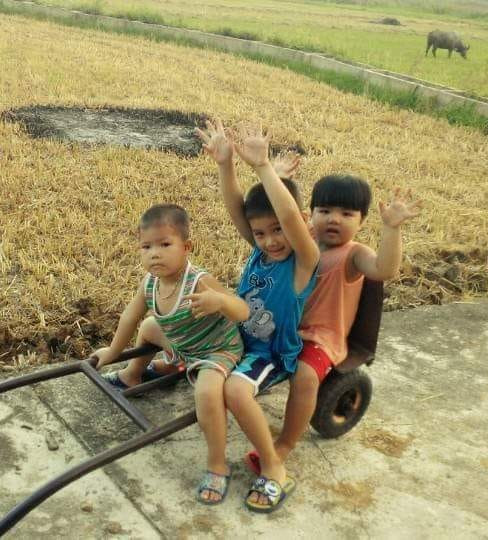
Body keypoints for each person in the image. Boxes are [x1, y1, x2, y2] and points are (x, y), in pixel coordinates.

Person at [241, 173, 422, 481]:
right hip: (282, 326)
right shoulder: (302, 239)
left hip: (321, 337)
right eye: (324, 211)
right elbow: (277, 215)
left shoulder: (355, 255)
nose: (333, 219)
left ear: (362, 221)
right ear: (309, 214)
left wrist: (392, 228)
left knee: (304, 376)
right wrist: (277, 179)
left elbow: (385, 269)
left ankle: (284, 444)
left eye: (347, 214)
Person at [196, 119, 319, 513]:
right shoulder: (261, 251)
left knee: (234, 391)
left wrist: (264, 167)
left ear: (299, 223)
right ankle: (155, 366)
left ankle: (274, 466)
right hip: (233, 338)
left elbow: (290, 219)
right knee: (161, 324)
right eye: (260, 233)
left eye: (277, 231)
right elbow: (239, 211)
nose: (269, 240)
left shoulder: (302, 261)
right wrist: (225, 164)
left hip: (268, 352)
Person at [91, 203, 250, 505]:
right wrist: (113, 351)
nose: (155, 254)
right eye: (146, 246)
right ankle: (132, 374)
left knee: (207, 393)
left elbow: (242, 311)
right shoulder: (150, 283)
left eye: (165, 245)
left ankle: (218, 465)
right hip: (184, 345)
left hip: (216, 351)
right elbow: (129, 317)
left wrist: (219, 301)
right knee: (149, 325)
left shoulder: (198, 280)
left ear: (186, 247)